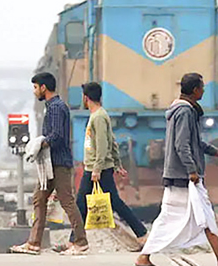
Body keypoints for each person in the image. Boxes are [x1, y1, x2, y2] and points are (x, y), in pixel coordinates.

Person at [134, 73, 218, 266]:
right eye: (202, 87)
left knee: (174, 217)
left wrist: (214, 151)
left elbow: (193, 142)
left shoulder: (180, 110)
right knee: (203, 215)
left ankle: (144, 257)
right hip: (184, 177)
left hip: (178, 175)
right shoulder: (185, 112)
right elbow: (182, 145)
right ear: (195, 90)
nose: (204, 90)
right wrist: (192, 170)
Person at [54, 82, 148, 252]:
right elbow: (112, 141)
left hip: (97, 169)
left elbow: (103, 144)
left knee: (91, 204)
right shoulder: (99, 115)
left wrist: (97, 168)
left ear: (85, 98)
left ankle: (141, 234)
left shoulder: (98, 117)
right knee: (88, 204)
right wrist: (117, 163)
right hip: (98, 167)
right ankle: (76, 241)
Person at [10, 72, 89, 256]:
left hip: (58, 163)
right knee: (39, 199)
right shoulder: (55, 106)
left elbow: (57, 136)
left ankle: (81, 242)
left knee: (67, 201)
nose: (34, 91)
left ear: (43, 87)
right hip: (50, 164)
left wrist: (39, 143)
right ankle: (34, 243)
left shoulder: (55, 107)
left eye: (36, 87)